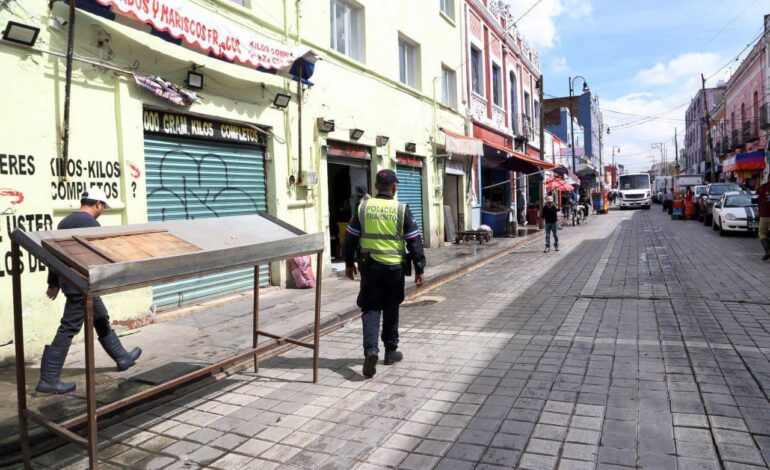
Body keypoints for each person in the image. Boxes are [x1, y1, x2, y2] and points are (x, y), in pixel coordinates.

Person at [37, 188, 142, 394]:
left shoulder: (63, 223)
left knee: (100, 317)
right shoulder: (92, 224)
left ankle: (122, 357)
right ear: (97, 204)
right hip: (82, 285)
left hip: (71, 283)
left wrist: (54, 283)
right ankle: (49, 379)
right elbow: (98, 257)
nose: (101, 211)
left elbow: (54, 256)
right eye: (102, 207)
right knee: (68, 328)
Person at [344, 170, 426, 378]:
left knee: (371, 308)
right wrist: (420, 268)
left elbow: (351, 237)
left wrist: (348, 263)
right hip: (394, 269)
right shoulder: (401, 209)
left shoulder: (363, 208)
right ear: (394, 187)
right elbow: (414, 241)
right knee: (391, 308)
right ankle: (390, 351)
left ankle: (371, 350)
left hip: (369, 267)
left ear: (376, 186)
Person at [759, 179, 770, 261]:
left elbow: (755, 199)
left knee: (762, 233)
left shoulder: (762, 187)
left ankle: (767, 250)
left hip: (765, 214)